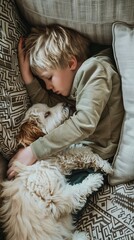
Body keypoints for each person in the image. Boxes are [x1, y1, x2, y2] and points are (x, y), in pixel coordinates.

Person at [7, 24, 124, 179]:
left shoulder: (95, 71)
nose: (48, 86)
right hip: (83, 150)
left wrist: (34, 151)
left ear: (71, 63)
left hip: (100, 153)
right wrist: (28, 79)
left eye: (49, 78)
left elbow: (84, 123)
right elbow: (48, 103)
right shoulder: (74, 82)